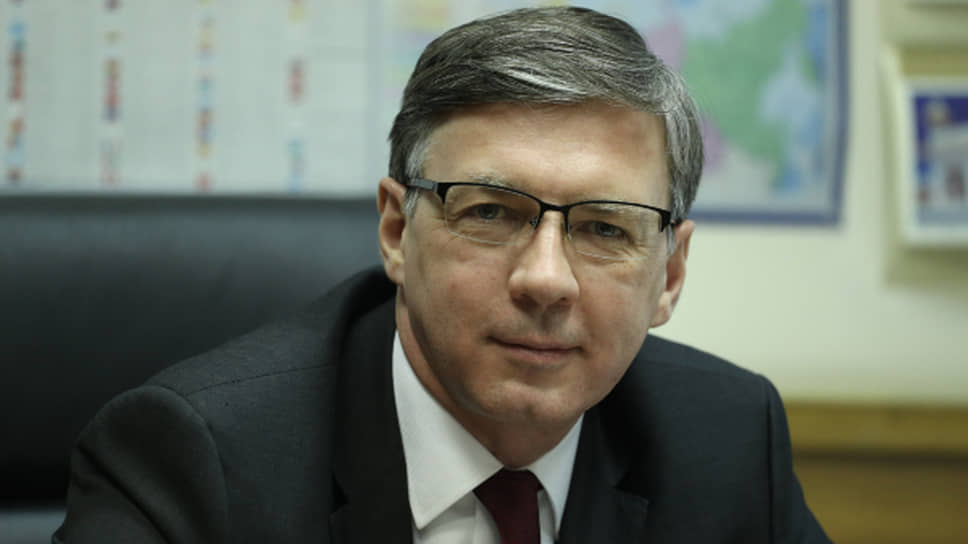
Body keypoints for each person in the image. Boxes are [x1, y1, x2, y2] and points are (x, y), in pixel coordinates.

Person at [55, 7, 830, 543]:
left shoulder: (726, 439)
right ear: (398, 232)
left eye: (604, 228)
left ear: (671, 273)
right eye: (490, 212)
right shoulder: (196, 461)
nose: (546, 280)